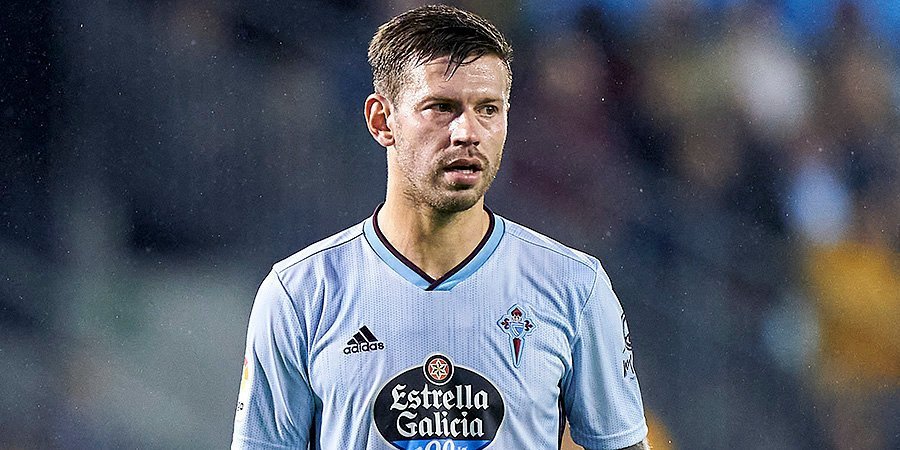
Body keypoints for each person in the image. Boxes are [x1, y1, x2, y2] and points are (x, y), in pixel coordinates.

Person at [231, 5, 649, 449]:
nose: (467, 132)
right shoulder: (300, 294)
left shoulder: (574, 286)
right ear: (382, 121)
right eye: (441, 108)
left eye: (488, 109)